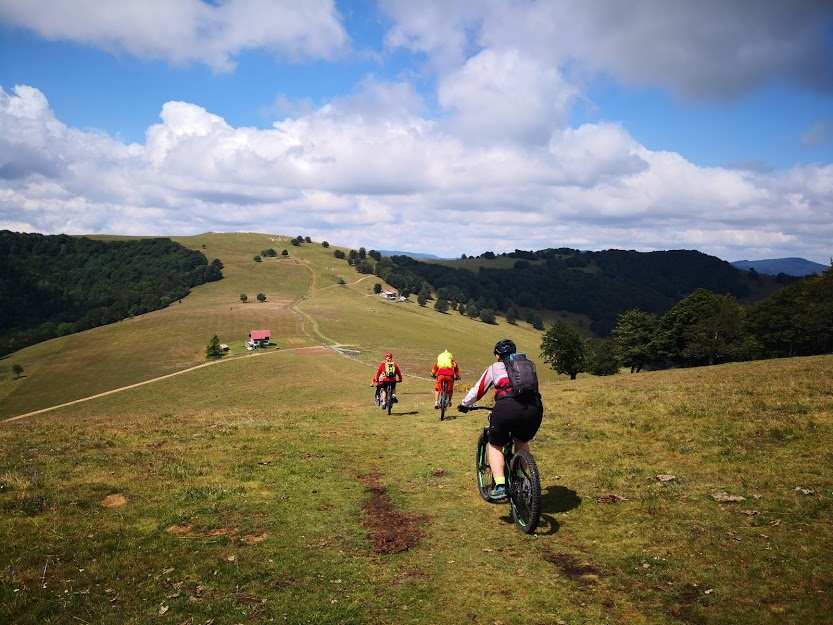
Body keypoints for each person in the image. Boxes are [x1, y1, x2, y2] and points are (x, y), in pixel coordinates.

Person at [458, 339, 542, 501]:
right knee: (522, 440)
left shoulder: (494, 368)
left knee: (495, 444)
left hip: (507, 408)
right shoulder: (528, 366)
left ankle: (500, 486)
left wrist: (464, 404)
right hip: (533, 408)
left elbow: (479, 389)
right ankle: (522, 480)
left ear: (497, 355)